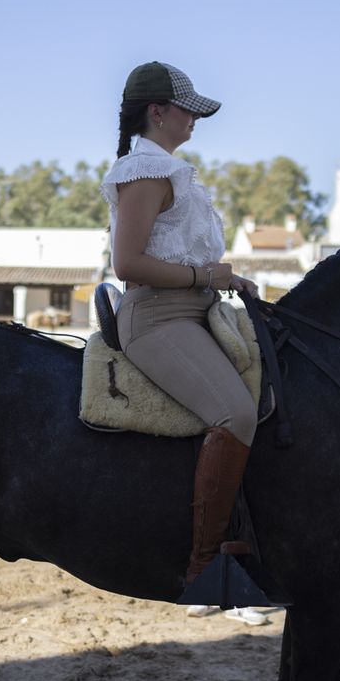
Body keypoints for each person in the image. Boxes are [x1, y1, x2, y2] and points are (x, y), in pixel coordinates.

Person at [101, 61, 262, 604]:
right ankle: (204, 567)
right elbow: (127, 263)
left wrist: (230, 279)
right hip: (157, 319)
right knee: (235, 413)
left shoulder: (171, 168)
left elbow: (187, 257)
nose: (194, 119)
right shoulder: (145, 171)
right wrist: (205, 277)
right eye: (186, 110)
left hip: (196, 308)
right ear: (157, 112)